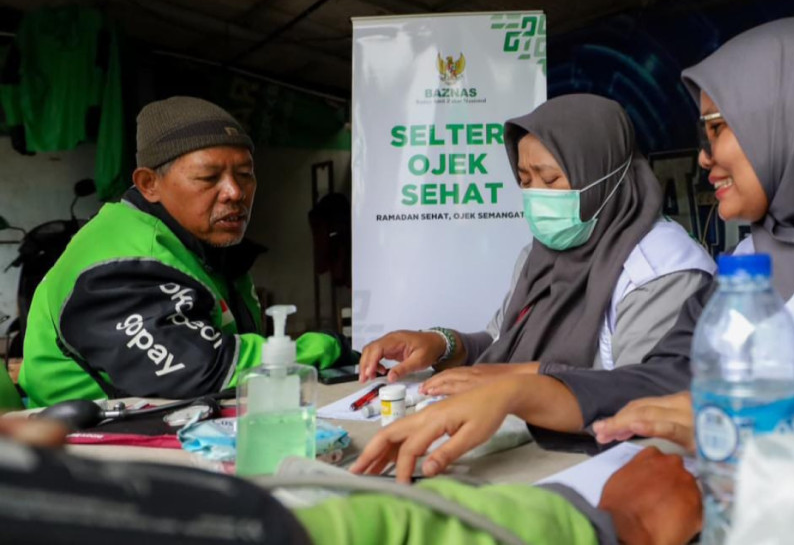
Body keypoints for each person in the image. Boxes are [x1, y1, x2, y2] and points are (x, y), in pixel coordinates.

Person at [353, 17, 794, 480]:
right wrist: (519, 387)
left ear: (792, 115)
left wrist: (768, 438)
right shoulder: (756, 258)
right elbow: (672, 385)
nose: (704, 158)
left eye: (721, 128)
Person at [358, 94, 714, 395]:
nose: (535, 196)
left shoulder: (661, 270)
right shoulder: (540, 256)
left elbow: (638, 395)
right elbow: (501, 342)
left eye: (551, 178)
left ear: (604, 175)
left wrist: (514, 383)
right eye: (525, 180)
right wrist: (440, 344)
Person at [18, 97, 345, 408]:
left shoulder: (200, 246)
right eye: (208, 177)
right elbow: (207, 371)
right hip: (85, 446)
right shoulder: (116, 267)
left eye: (245, 175)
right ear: (149, 184)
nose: (234, 192)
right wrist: (334, 347)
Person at [0, 412, 701, 545]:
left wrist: (517, 377)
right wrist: (593, 525)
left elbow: (650, 371)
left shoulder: (671, 264)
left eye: (550, 174)